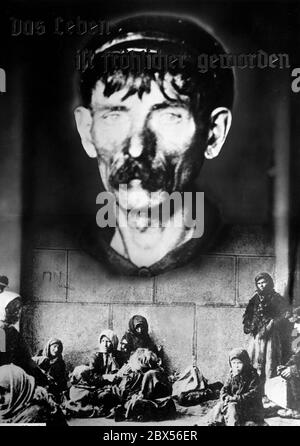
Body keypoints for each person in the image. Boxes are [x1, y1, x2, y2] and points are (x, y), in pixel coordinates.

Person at [74, 14, 234, 276]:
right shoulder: (55, 255)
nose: (136, 148)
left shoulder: (266, 254)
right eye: (114, 115)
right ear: (86, 130)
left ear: (214, 133)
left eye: (168, 116)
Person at [243, 272, 289, 382]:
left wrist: (272, 323)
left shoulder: (277, 298)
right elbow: (248, 314)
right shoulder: (255, 299)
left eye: (264, 282)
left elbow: (284, 315)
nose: (262, 285)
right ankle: (255, 388)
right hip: (256, 335)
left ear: (269, 282)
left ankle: (268, 389)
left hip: (271, 335)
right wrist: (248, 325)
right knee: (254, 359)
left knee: (270, 361)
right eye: (259, 283)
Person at [65, 329, 122, 417]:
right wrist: (105, 377)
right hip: (96, 385)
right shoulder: (95, 356)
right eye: (102, 341)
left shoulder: (118, 356)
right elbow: (92, 376)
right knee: (81, 393)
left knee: (114, 394)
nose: (105, 344)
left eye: (108, 341)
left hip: (111, 386)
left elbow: (120, 372)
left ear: (113, 343)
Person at [0, 293, 48, 386]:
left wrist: (39, 372)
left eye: (18, 309)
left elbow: (26, 358)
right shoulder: (1, 331)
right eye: (13, 308)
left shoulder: (12, 331)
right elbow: (4, 361)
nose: (17, 312)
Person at [208, 348, 264, 426]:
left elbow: (254, 394)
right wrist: (226, 397)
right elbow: (224, 389)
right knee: (219, 406)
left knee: (232, 407)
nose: (236, 366)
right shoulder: (232, 374)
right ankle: (214, 423)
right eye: (234, 363)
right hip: (235, 403)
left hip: (250, 407)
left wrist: (235, 398)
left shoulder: (252, 375)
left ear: (245, 363)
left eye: (239, 363)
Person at [0, 364, 67, 425]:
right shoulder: (14, 408)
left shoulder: (34, 414)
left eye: (3, 392)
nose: (0, 398)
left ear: (19, 389)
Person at [272, 307, 300, 419]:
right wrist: (286, 366)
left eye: (298, 322)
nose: (295, 325)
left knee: (291, 373)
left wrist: (293, 369)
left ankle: (297, 409)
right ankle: (292, 407)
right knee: (288, 371)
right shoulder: (295, 332)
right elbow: (296, 355)